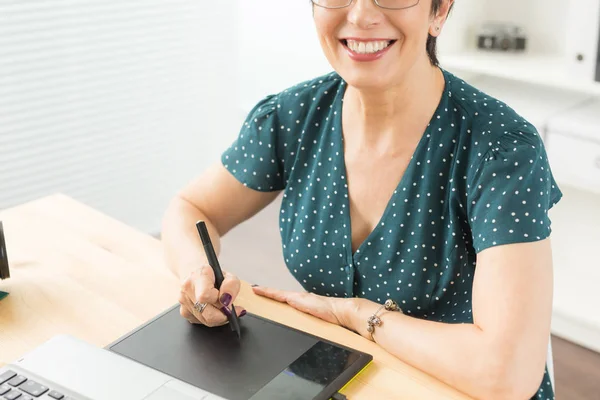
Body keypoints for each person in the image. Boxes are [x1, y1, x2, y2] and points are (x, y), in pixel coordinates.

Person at [161, 1, 561, 399]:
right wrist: (198, 273)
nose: (360, 16)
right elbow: (191, 208)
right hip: (341, 381)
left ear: (439, 12)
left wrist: (354, 314)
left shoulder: (501, 149)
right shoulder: (294, 116)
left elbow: (507, 374)